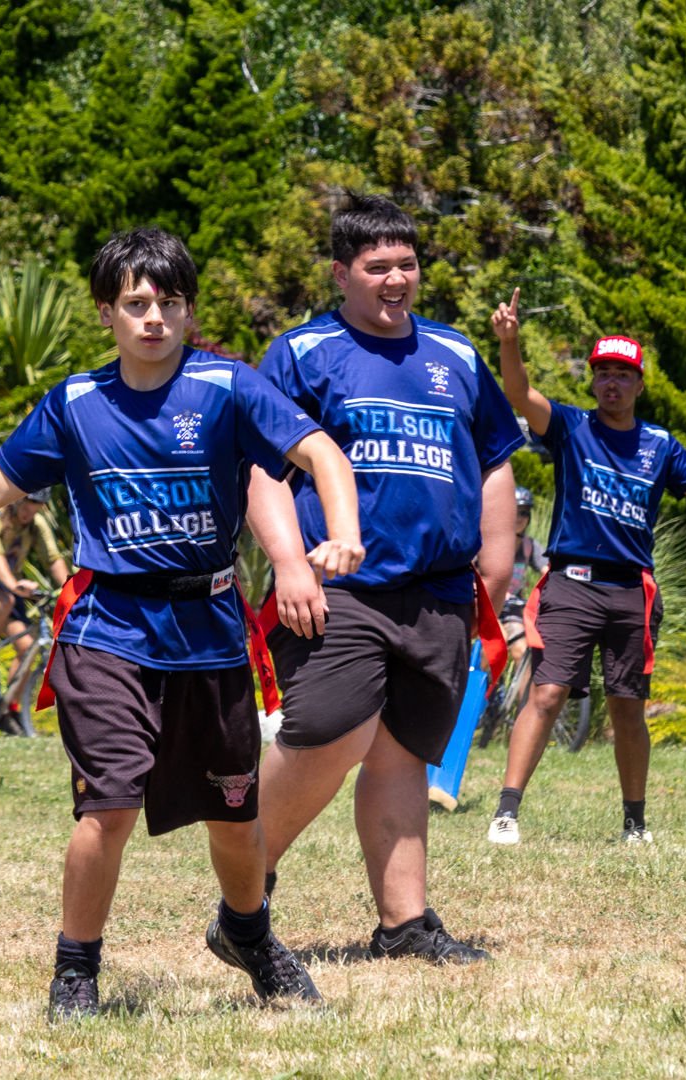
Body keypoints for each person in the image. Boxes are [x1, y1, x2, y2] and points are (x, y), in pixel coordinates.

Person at [0, 227, 364, 1017]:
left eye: (169, 303)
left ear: (188, 312)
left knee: (233, 813)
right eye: (136, 304)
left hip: (210, 629)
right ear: (107, 313)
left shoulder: (228, 386)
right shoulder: (75, 404)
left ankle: (249, 933)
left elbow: (323, 453)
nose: (154, 317)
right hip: (108, 630)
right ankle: (75, 971)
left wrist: (342, 531)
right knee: (108, 806)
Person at [246, 193, 521, 964]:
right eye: (378, 268)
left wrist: (495, 566)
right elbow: (263, 469)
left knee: (403, 751)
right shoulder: (302, 355)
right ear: (342, 273)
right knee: (329, 731)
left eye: (407, 264)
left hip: (439, 591)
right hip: (337, 588)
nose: (396, 279)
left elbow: (495, 458)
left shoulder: (457, 356)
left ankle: (404, 924)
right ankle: (245, 891)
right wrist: (290, 566)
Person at [485, 296, 686, 845]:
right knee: (547, 693)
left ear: (640, 384)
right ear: (593, 383)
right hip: (571, 585)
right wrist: (509, 341)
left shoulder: (661, 446)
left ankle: (635, 824)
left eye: (622, 374)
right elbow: (519, 394)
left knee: (628, 708)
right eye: (603, 374)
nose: (611, 383)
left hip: (631, 594)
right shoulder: (570, 427)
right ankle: (507, 813)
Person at [0, 489, 71, 702]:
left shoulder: (36, 525)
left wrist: (72, 591)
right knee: (4, 601)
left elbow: (53, 559)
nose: (28, 515)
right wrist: (14, 585)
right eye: (26, 508)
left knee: (27, 648)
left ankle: (8, 709)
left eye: (34, 510)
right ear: (16, 500)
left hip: (9, 587)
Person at [503, 488, 549, 673]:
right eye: (515, 511)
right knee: (489, 648)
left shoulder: (530, 545)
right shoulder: (489, 541)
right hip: (486, 610)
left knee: (522, 652)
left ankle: (520, 703)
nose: (519, 517)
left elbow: (549, 573)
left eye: (524, 512)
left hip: (511, 612)